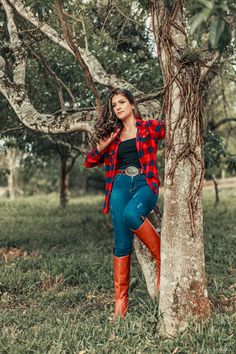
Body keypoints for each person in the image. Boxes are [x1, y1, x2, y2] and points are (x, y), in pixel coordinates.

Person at [84, 87, 165, 319]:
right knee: (121, 244)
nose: (118, 107)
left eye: (121, 102)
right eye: (114, 104)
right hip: (119, 185)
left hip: (144, 183)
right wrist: (103, 144)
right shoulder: (114, 135)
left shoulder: (148, 128)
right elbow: (89, 161)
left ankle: (162, 258)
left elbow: (172, 127)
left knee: (132, 215)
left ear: (132, 104)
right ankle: (120, 305)